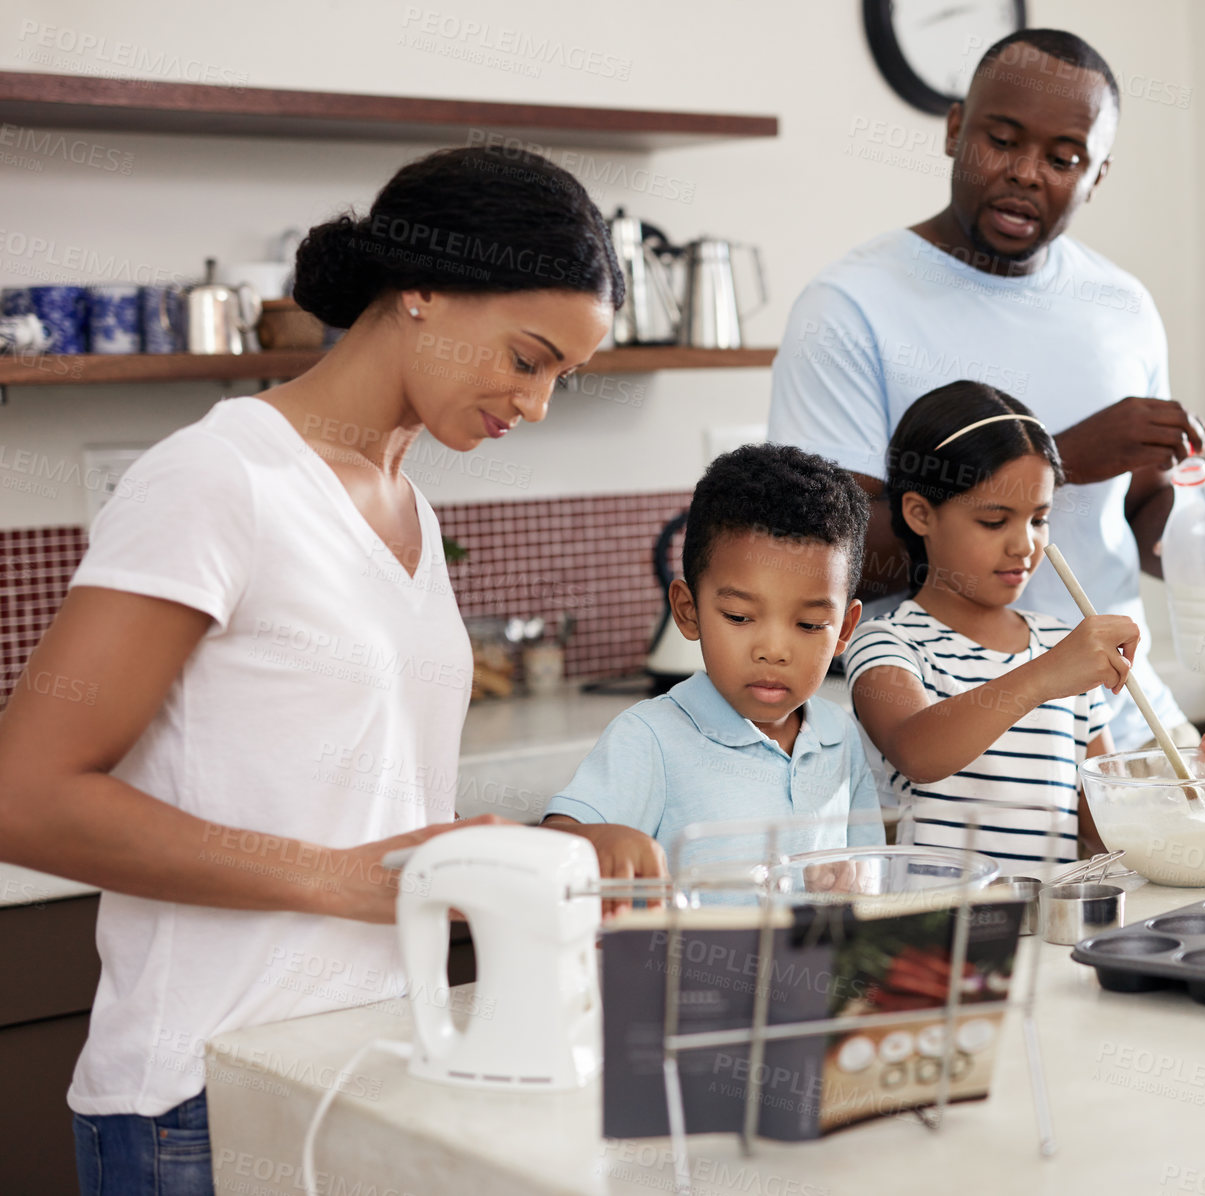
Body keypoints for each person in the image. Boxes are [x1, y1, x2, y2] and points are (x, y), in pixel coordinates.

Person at [0, 145, 663, 1196]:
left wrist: (540, 856)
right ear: (424, 290)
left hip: (362, 1075)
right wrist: (348, 879)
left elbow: (356, 795)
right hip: (201, 1098)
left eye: (561, 378)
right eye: (528, 357)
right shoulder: (220, 479)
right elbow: (24, 797)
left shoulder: (407, 501)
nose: (536, 403)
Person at [769, 28, 1205, 762]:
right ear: (953, 131)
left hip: (1119, 723)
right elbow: (820, 559)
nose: (1026, 173)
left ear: (1097, 174)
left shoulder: (1121, 306)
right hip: (946, 732)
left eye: (1064, 158)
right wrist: (1056, 460)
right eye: (1001, 140)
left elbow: (1138, 511)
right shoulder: (851, 306)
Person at [542, 444, 885, 874]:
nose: (774, 651)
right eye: (740, 617)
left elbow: (870, 875)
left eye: (811, 624)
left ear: (845, 630)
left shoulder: (841, 737)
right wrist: (594, 840)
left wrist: (852, 891)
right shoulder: (650, 740)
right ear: (688, 611)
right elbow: (552, 850)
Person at [844, 382, 1141, 872]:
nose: (1025, 545)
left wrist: (1188, 801)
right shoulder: (888, 642)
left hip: (1050, 931)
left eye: (1038, 519)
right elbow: (918, 751)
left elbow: (1100, 829)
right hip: (939, 932)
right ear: (920, 513)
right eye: (993, 521)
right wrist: (1046, 675)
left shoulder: (1060, 645)